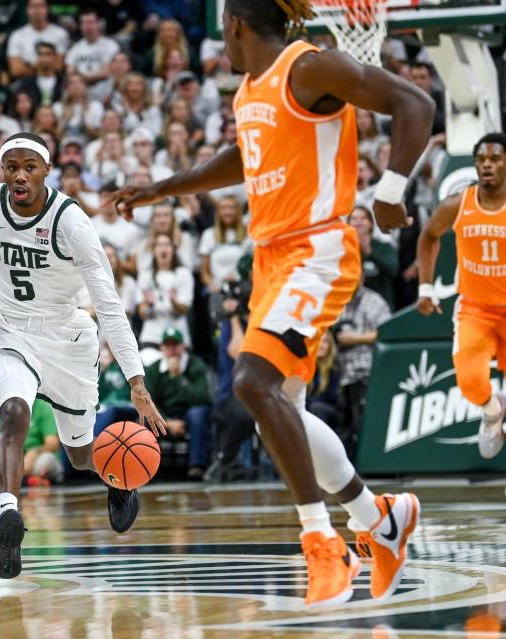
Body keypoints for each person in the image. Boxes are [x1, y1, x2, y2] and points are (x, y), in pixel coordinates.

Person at [108, 0, 434, 606]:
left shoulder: (309, 67)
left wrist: (390, 191)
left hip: (318, 249)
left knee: (252, 383)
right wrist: (164, 187)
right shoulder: (250, 90)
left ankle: (322, 542)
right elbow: (244, 158)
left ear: (232, 24)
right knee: (279, 417)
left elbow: (415, 103)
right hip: (271, 260)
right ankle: (380, 521)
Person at [0, 132, 167, 580]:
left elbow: (112, 305)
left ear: (46, 171)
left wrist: (136, 381)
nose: (19, 175)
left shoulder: (72, 222)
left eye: (29, 167)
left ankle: (117, 482)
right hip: (10, 329)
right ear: (2, 170)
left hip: (68, 336)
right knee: (14, 411)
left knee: (79, 455)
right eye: (11, 166)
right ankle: (7, 517)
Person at [416, 132, 506, 459]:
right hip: (475, 309)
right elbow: (428, 237)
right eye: (481, 159)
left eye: (495, 159)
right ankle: (494, 413)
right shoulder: (458, 204)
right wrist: (425, 287)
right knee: (469, 382)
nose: (487, 165)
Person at [143, 327, 211, 478]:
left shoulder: (195, 365)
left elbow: (202, 398)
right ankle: (146, 467)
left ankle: (197, 465)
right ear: (162, 348)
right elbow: (149, 402)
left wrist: (180, 378)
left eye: (176, 345)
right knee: (144, 419)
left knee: (198, 414)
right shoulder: (154, 370)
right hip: (165, 414)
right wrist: (166, 422)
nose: (172, 349)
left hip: (189, 412)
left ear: (183, 346)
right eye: (168, 345)